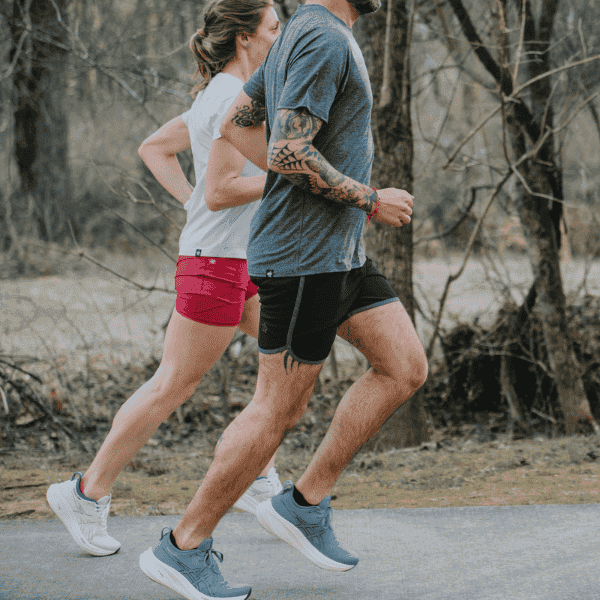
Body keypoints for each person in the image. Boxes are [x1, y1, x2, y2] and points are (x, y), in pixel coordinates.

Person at [134, 0, 428, 598]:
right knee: (276, 410)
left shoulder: (301, 32)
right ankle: (183, 547)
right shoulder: (319, 38)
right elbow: (290, 149)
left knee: (404, 366)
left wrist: (325, 202)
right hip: (303, 259)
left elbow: (238, 126)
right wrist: (369, 198)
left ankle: (304, 504)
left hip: (338, 251)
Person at [46, 0, 290, 568]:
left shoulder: (227, 97)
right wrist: (286, 179)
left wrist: (192, 205)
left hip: (238, 260)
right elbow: (221, 190)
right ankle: (85, 493)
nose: (282, 39)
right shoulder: (229, 99)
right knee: (172, 385)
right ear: (246, 39)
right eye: (275, 29)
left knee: (287, 353)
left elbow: (154, 147)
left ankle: (253, 467)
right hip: (215, 266)